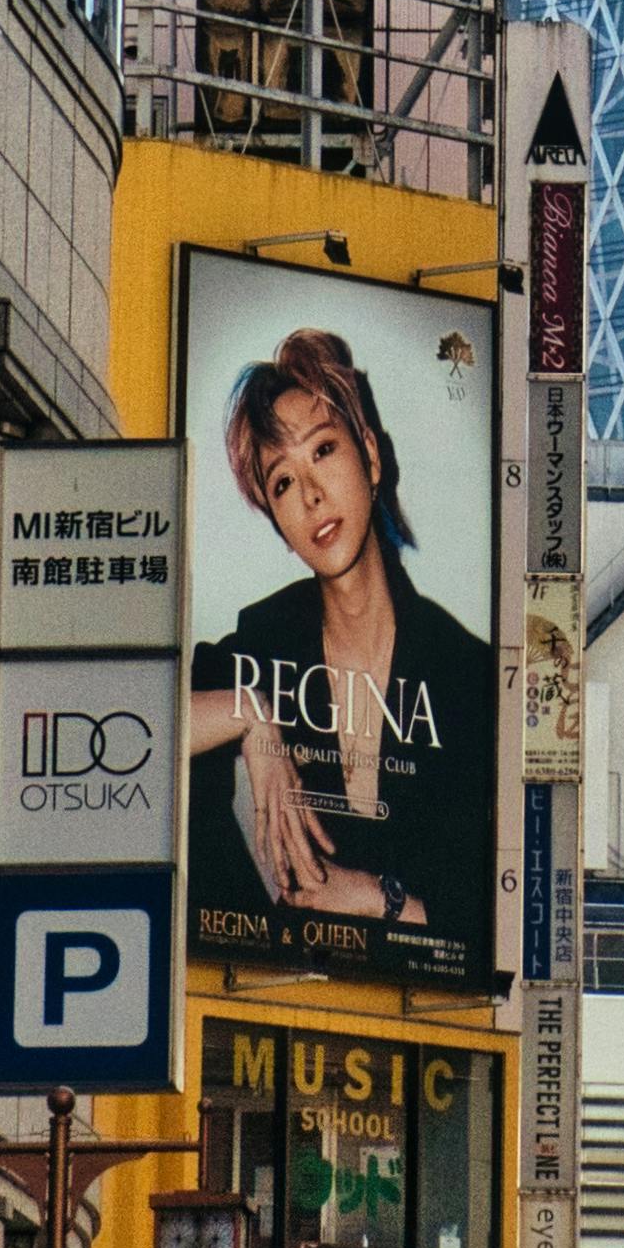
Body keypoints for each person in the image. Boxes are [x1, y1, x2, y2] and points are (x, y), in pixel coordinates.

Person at [190, 326, 492, 960]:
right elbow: (137, 728)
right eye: (281, 483)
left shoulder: (465, 674)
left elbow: (490, 920)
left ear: (372, 459)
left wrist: (374, 898)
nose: (310, 495)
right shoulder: (260, 646)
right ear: (278, 523)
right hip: (265, 1003)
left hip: (420, 1025)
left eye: (323, 451)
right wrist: (254, 718)